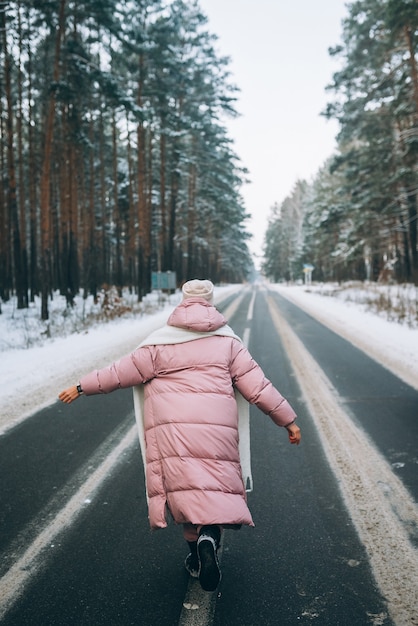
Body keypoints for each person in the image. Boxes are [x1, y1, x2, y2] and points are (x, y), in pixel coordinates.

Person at [59, 279, 301, 592]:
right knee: (211, 490)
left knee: (187, 494)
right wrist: (288, 422)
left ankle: (197, 558)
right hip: (217, 431)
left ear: (182, 302)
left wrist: (80, 387)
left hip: (173, 434)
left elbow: (117, 373)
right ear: (211, 303)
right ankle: (208, 539)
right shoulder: (228, 343)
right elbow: (259, 387)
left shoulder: (159, 345)